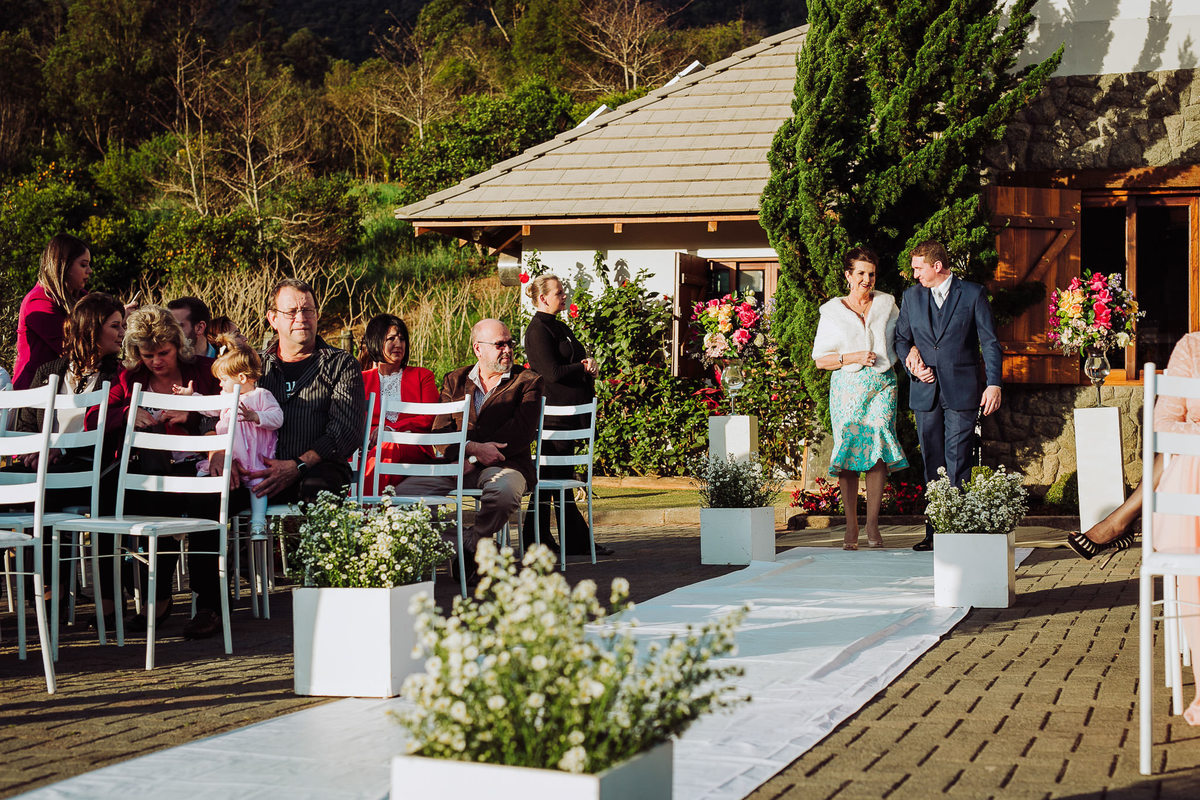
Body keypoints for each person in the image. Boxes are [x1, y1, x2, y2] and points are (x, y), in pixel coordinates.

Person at [96, 305, 220, 635]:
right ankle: (151, 596)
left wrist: (193, 416)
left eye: (163, 353)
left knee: (206, 505)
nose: (156, 362)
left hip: (198, 464)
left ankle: (208, 605)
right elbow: (95, 415)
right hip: (152, 470)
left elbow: (228, 412)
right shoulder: (131, 377)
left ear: (178, 344)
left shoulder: (205, 370)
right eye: (147, 355)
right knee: (123, 500)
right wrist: (126, 414)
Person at [395, 318, 542, 583]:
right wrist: (468, 449)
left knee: (505, 492)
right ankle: (473, 544)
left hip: (505, 464)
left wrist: (474, 456)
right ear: (478, 348)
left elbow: (521, 432)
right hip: (457, 464)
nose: (508, 349)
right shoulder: (455, 380)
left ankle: (473, 545)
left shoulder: (527, 381)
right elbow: (440, 431)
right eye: (499, 344)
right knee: (400, 498)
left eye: (509, 343)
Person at [15, 292, 126, 625]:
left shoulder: (118, 375)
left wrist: (61, 450)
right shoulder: (49, 371)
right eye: (115, 325)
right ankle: (51, 592)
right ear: (91, 327)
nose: (122, 333)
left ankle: (53, 593)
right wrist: (37, 448)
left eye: (122, 325)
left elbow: (112, 436)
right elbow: (26, 424)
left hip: (94, 471)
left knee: (39, 497)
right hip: (46, 470)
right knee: (18, 488)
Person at [212, 279, 365, 511]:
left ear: (317, 315)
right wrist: (217, 454)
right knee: (205, 496)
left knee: (320, 492)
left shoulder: (341, 364)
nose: (301, 318)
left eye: (308, 310)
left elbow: (345, 432)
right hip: (252, 471)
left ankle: (312, 537)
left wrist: (298, 465)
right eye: (291, 312)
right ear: (273, 318)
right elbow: (213, 411)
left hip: (316, 470)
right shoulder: (253, 364)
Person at [894, 240, 1003, 551]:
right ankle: (934, 532)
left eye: (919, 268)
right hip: (924, 392)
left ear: (937, 266)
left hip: (963, 390)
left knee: (958, 459)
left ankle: (957, 529)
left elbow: (989, 342)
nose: (915, 274)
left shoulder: (972, 293)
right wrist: (910, 359)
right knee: (932, 460)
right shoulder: (911, 297)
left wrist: (994, 383)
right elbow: (901, 339)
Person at [811, 248, 908, 550]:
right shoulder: (832, 312)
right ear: (848, 275)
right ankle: (851, 524)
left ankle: (873, 523)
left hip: (882, 385)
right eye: (861, 273)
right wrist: (851, 357)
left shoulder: (888, 305)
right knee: (850, 452)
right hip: (847, 388)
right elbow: (820, 360)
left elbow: (904, 338)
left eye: (872, 274)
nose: (867, 279)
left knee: (878, 446)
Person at [521, 274, 613, 556]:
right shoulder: (537, 330)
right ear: (543, 298)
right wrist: (581, 367)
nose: (564, 296)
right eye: (559, 292)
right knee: (552, 479)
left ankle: (546, 540)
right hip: (554, 416)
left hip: (568, 413)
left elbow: (574, 360)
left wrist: (589, 365)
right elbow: (551, 372)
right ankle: (547, 540)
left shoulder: (559, 326)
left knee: (556, 478)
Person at [193, 335, 283, 539]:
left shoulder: (261, 395)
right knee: (204, 477)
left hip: (253, 457)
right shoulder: (226, 398)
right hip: (231, 458)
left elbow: (277, 418)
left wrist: (256, 416)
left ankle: (258, 522)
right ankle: (193, 517)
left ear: (241, 378)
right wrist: (191, 396)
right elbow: (209, 408)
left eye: (224, 380)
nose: (220, 384)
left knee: (257, 487)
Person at [359, 314, 437, 494]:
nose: (398, 344)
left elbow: (430, 418)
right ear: (376, 342)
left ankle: (363, 508)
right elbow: (354, 420)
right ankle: (385, 505)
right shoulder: (360, 380)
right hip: (368, 448)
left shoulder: (423, 376)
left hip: (413, 447)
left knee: (389, 444)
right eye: (391, 339)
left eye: (402, 339)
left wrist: (391, 429)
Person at [13, 234, 92, 389]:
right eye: (83, 265)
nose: (89, 270)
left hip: (63, 388)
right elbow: (69, 347)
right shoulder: (38, 301)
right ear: (64, 265)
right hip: (33, 391)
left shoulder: (81, 297)